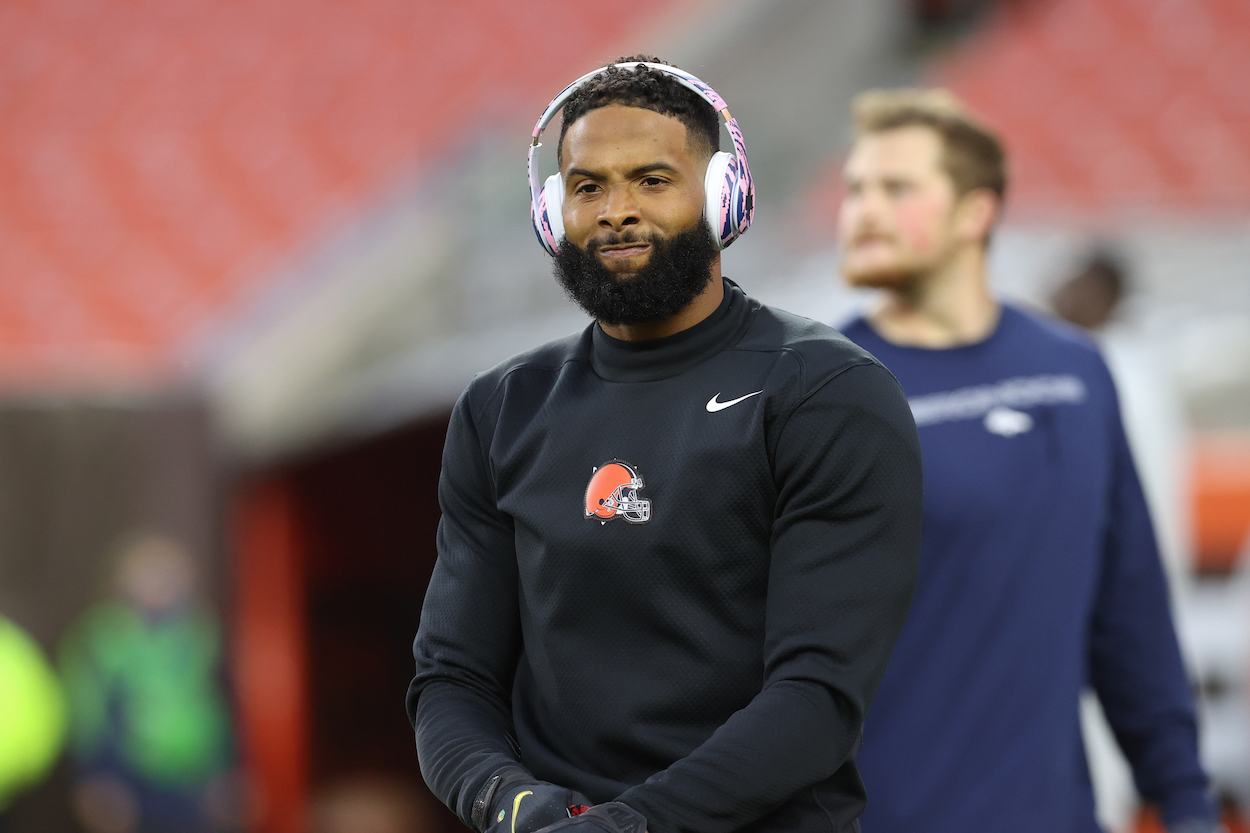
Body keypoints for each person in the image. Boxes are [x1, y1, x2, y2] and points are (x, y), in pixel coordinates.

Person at [407, 57, 924, 833]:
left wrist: (630, 824)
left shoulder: (825, 392)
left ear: (723, 195)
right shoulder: (499, 408)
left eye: (652, 180)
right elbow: (451, 676)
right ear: (553, 212)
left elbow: (817, 696)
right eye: (588, 186)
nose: (616, 211)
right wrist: (512, 803)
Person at [834, 88, 1216, 833]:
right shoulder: (817, 386)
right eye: (854, 189)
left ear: (975, 213)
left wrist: (1186, 802)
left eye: (896, 188)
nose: (863, 211)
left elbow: (1130, 610)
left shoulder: (1076, 373)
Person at [59, 531, 236, 833]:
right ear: (121, 578)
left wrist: (231, 771)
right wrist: (97, 777)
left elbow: (223, 707)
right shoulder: (103, 637)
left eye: (169, 573)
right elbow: (88, 716)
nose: (160, 582)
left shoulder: (201, 633)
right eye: (149, 572)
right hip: (131, 779)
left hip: (195, 779)